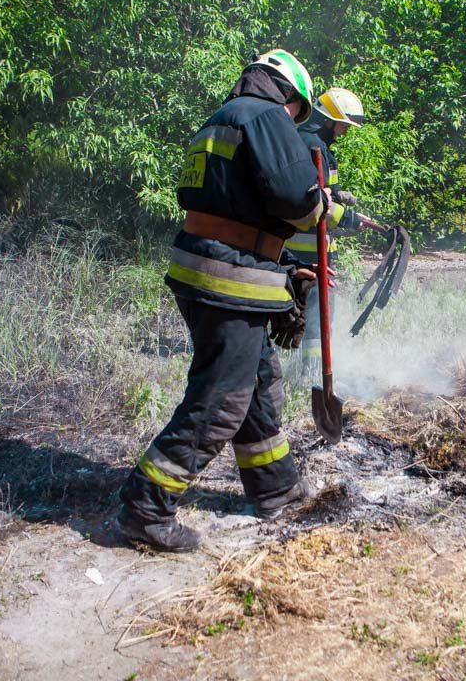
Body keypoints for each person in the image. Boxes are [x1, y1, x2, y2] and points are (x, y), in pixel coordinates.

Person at [117, 49, 329, 552]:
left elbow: (229, 206)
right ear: (291, 95)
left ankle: (275, 487)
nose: (296, 117)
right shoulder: (266, 116)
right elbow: (296, 197)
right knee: (220, 399)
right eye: (299, 109)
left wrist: (276, 266)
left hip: (211, 270)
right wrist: (322, 203)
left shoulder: (219, 119)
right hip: (228, 279)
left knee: (254, 381)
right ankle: (145, 507)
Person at [281, 87, 374, 373]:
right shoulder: (314, 147)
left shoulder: (309, 142)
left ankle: (309, 370)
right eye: (344, 125)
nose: (345, 132)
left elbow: (322, 191)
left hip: (306, 249)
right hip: (308, 250)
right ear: (329, 120)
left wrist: (337, 193)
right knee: (317, 313)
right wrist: (350, 219)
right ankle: (313, 376)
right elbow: (313, 203)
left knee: (313, 311)